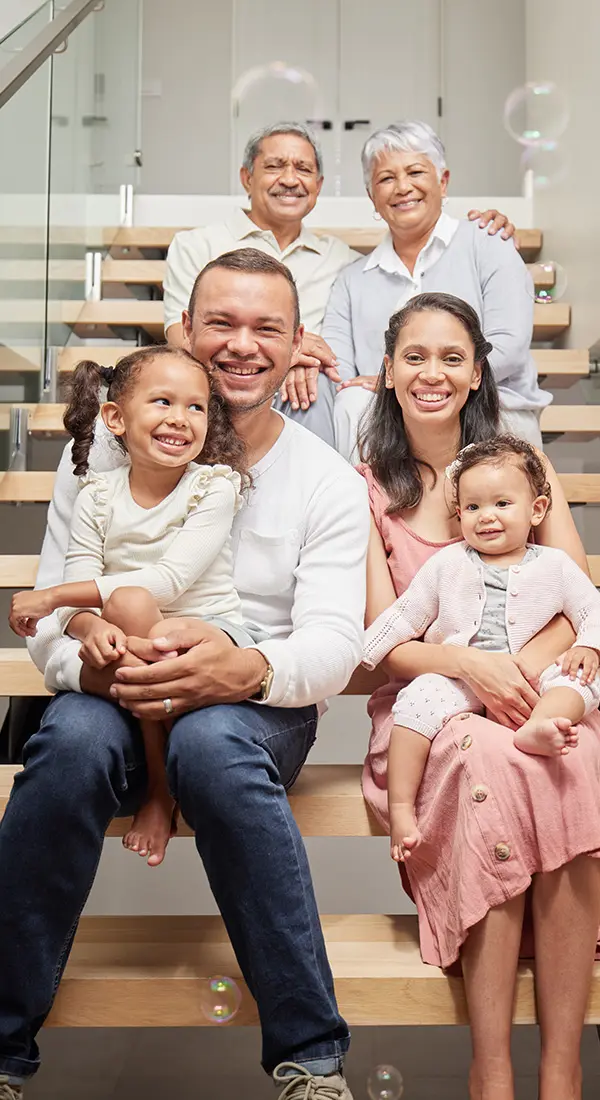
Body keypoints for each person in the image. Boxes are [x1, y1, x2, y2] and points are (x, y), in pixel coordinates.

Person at [0, 249, 370, 1099]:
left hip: (253, 703)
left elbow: (330, 646)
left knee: (210, 746)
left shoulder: (324, 483)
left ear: (295, 344)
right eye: (221, 324)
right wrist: (102, 673)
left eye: (266, 328)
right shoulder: (97, 456)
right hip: (115, 685)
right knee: (69, 750)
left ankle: (311, 1059)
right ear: (185, 332)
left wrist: (243, 667)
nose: (242, 345)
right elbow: (53, 622)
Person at [359, 291, 600, 1100]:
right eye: (415, 356)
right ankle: (491, 1062)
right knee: (483, 760)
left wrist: (520, 675)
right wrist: (473, 672)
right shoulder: (367, 487)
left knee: (576, 752)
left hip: (538, 690)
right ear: (388, 372)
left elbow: (577, 603)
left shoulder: (523, 471)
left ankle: (561, 1061)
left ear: (476, 372)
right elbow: (380, 643)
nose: (433, 372)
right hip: (428, 710)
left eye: (452, 356)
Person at [9, 346, 253, 868]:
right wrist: (87, 626)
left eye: (195, 407)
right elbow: (82, 576)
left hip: (205, 631)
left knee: (135, 598)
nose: (180, 419)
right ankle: (159, 783)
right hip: (130, 638)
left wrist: (56, 600)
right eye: (162, 401)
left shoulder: (215, 486)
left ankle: (161, 788)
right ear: (115, 418)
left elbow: (166, 582)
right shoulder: (97, 494)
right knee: (118, 620)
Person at [163, 120, 515, 448]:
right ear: (246, 177)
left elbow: (336, 358)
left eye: (303, 169)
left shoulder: (342, 260)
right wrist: (289, 354)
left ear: (318, 185)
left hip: (304, 392)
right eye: (274, 166)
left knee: (312, 391)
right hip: (224, 380)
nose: (289, 179)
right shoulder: (197, 246)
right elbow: (184, 338)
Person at [361, 433, 600, 863]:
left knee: (579, 684)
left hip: (534, 677)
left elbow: (591, 609)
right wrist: (368, 648)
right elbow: (406, 614)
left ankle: (540, 726)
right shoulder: (447, 564)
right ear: (459, 514)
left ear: (537, 510)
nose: (486, 517)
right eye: (472, 508)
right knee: (415, 703)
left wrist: (591, 647)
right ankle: (401, 809)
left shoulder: (555, 566)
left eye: (501, 504)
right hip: (461, 678)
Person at [321, 121, 549, 460]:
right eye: (386, 178)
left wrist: (436, 382)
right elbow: (339, 368)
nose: (402, 187)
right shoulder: (352, 280)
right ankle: (365, 513)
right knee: (352, 402)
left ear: (442, 182)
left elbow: (510, 346)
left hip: (489, 407)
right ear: (372, 196)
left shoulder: (489, 243)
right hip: (393, 418)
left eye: (415, 172)